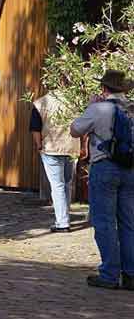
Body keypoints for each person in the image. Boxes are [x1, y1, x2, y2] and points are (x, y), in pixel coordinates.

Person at [70, 69, 134, 290]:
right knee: (128, 222)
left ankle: (109, 274)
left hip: (105, 167)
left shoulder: (99, 109)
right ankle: (131, 274)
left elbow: (75, 130)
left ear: (104, 88)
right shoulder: (131, 110)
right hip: (130, 169)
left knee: (105, 222)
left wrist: (91, 106)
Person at [30, 91, 82, 232]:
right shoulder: (75, 100)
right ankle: (64, 217)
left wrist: (39, 145)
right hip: (71, 148)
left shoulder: (40, 103)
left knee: (57, 185)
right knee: (67, 184)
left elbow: (35, 128)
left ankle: (62, 222)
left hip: (51, 148)